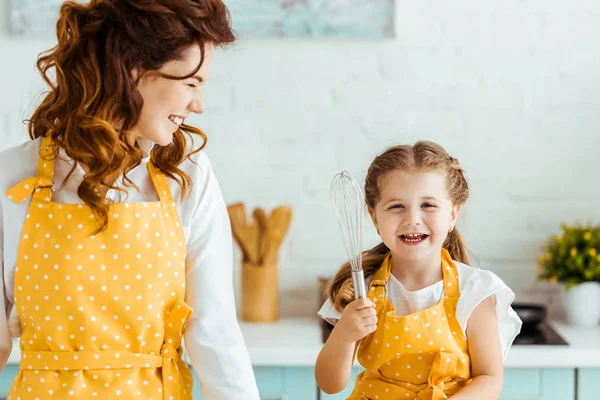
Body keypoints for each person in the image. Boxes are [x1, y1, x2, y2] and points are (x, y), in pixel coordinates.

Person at [0, 0, 260, 398]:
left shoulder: (188, 177)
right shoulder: (12, 176)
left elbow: (215, 336)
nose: (199, 105)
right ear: (133, 70)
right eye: (191, 84)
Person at [316, 141, 522, 399]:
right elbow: (329, 384)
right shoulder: (360, 289)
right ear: (374, 217)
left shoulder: (474, 291)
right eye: (396, 206)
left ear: (453, 215)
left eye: (428, 205)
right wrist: (345, 334)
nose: (412, 219)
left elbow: (490, 380)